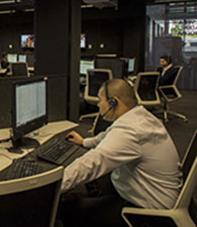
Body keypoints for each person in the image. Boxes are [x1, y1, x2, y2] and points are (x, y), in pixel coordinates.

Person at [59, 78, 182, 227]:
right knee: (91, 178)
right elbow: (107, 135)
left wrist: (51, 188)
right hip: (153, 194)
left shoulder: (130, 131)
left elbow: (93, 162)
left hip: (150, 215)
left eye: (100, 100)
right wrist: (84, 142)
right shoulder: (140, 116)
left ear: (113, 102)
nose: (98, 105)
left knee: (69, 209)